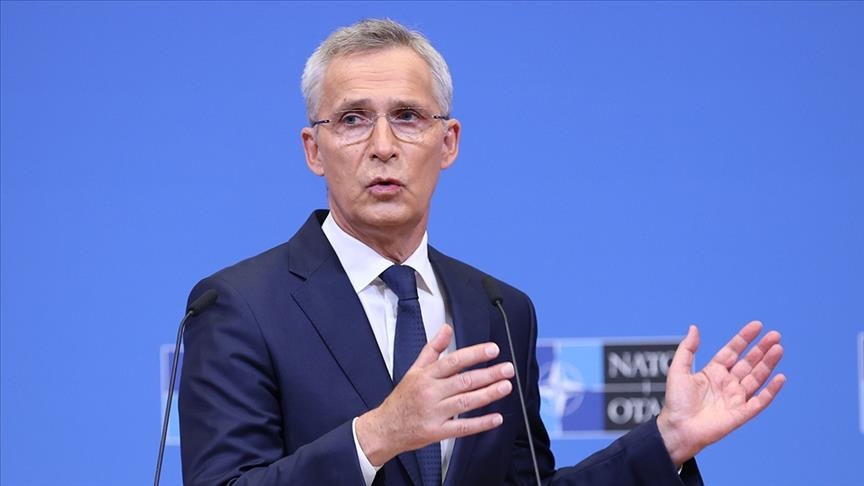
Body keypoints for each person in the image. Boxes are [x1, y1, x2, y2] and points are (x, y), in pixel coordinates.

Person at [178, 18, 786, 486]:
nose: (383, 145)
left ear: (448, 142)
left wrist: (668, 439)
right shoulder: (239, 305)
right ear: (314, 149)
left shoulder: (497, 309)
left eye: (407, 116)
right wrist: (376, 436)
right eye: (353, 119)